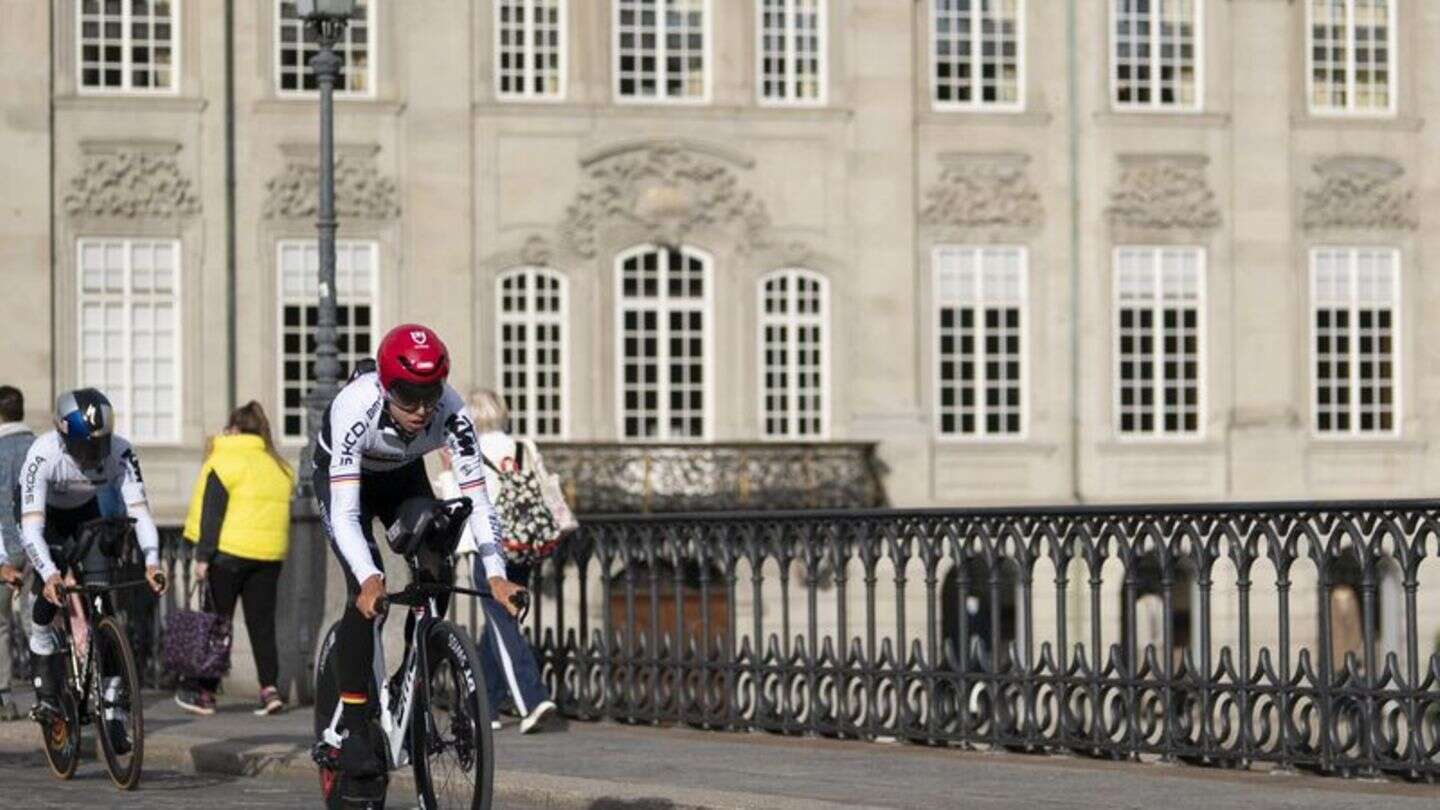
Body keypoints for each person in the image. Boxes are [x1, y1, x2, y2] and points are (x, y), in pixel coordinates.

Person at [313, 324, 521, 799]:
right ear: (386, 389)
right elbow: (345, 514)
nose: (421, 411)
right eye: (408, 399)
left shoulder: (451, 410)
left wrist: (497, 575)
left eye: (429, 397)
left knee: (438, 563)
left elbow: (478, 500)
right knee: (366, 589)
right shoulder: (354, 408)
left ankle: (415, 671)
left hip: (402, 476)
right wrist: (367, 578)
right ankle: (354, 720)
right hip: (347, 483)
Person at [17, 388, 167, 751]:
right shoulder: (43, 454)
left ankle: (114, 707)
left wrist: (152, 562)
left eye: (98, 447)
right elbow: (31, 529)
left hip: (86, 514)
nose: (91, 457)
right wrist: (51, 574)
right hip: (46, 519)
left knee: (104, 603)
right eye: (84, 448)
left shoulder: (120, 450)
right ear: (63, 435)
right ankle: (47, 684)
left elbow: (141, 512)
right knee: (49, 595)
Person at [434, 389, 557, 734]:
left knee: (502, 624)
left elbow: (458, 500)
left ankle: (531, 700)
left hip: (490, 550)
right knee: (498, 620)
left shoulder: (467, 448)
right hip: (525, 542)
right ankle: (484, 705)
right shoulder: (524, 446)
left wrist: (446, 473)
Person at [176, 401, 294, 717]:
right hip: (268, 556)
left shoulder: (224, 459)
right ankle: (270, 690)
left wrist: (203, 557)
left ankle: (205, 693)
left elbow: (212, 514)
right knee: (262, 625)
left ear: (235, 429)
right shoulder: (278, 465)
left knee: (217, 624)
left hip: (228, 555)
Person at [0, 385, 35, 721]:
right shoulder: (40, 447)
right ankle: (51, 693)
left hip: (6, 551)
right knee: (37, 621)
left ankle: (3, 698)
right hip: (41, 548)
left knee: (1, 625)